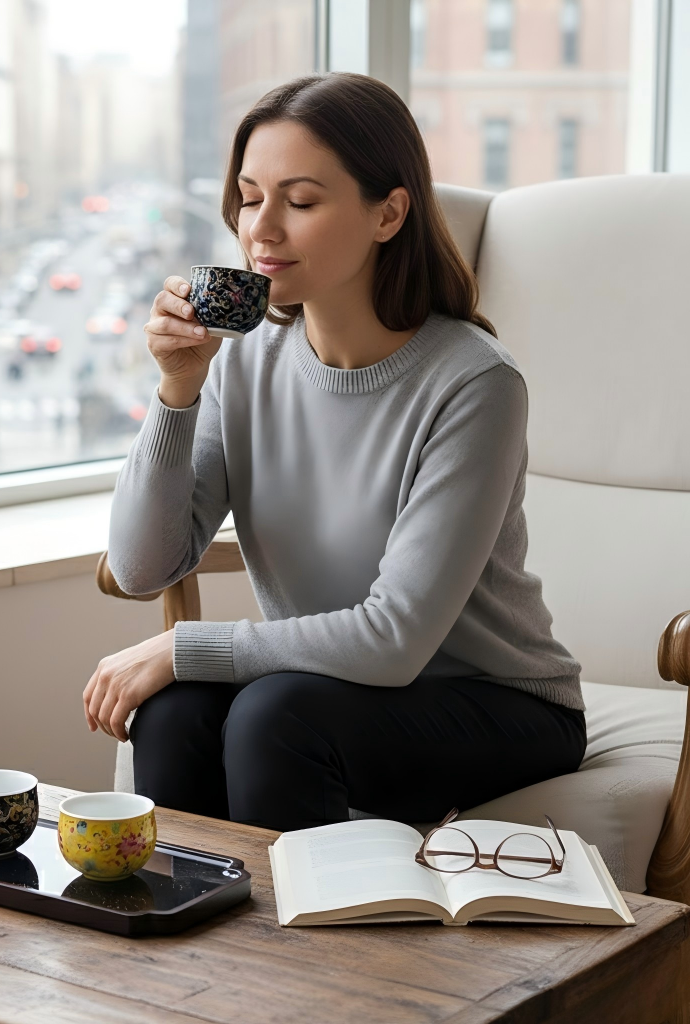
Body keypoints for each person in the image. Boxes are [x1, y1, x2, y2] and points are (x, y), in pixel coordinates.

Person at [81, 72, 585, 832]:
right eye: (251, 198)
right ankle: (184, 943)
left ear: (389, 213)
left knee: (274, 716)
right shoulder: (246, 361)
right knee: (176, 711)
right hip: (334, 686)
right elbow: (142, 567)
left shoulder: (475, 384)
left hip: (500, 702)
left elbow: (392, 640)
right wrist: (177, 392)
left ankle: (304, 952)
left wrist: (188, 645)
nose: (262, 229)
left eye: (302, 200)